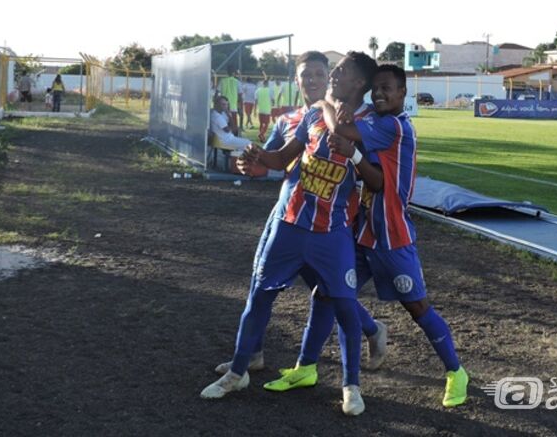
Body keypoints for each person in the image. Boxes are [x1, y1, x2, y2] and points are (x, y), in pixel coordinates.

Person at [271, 64, 469, 408]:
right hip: (364, 233)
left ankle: (456, 372)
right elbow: (369, 171)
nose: (380, 94)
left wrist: (326, 103)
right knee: (326, 295)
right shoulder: (377, 124)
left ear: (402, 93)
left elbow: (344, 131)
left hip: (393, 238)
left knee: (418, 308)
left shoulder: (393, 126)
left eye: (387, 89)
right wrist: (353, 145)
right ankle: (306, 367)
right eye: (376, 89)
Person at [200, 52, 379, 416]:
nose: (322, 78)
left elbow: (377, 177)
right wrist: (252, 157)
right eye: (308, 74)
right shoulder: (307, 115)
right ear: (297, 80)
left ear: (355, 82)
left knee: (342, 304)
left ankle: (351, 385)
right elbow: (280, 159)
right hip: (289, 224)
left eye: (330, 71)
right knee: (259, 294)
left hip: (333, 233)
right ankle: (238, 371)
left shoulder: (372, 124)